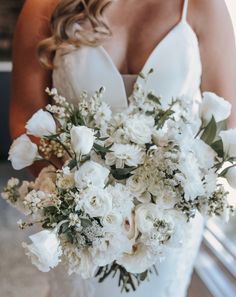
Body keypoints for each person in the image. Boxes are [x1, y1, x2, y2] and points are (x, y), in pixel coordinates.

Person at [10, 0, 236, 296]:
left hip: (167, 226)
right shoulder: (45, 5)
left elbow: (226, 121)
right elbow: (25, 118)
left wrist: (168, 196)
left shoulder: (202, 5)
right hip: (80, 222)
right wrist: (79, 200)